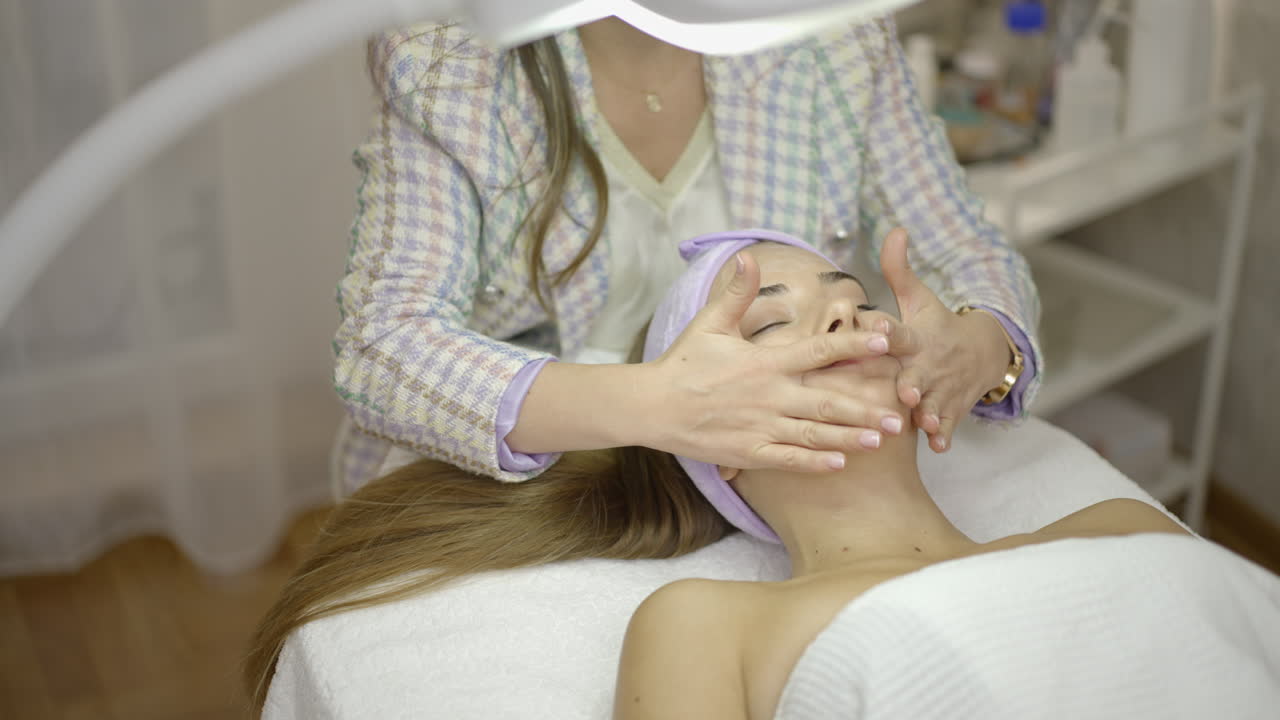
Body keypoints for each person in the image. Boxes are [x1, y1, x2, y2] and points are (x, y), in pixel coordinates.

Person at [248, 231, 1182, 715]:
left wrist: (988, 341)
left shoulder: (1116, 530)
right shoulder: (705, 627)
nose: (846, 320)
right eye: (771, 323)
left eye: (856, 305)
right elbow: (377, 346)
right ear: (713, 447)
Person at [329, 11, 1043, 498]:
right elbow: (384, 346)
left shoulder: (832, 37)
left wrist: (984, 345)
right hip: (539, 483)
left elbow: (963, 248)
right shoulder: (447, 61)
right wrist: (662, 404)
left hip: (758, 478)